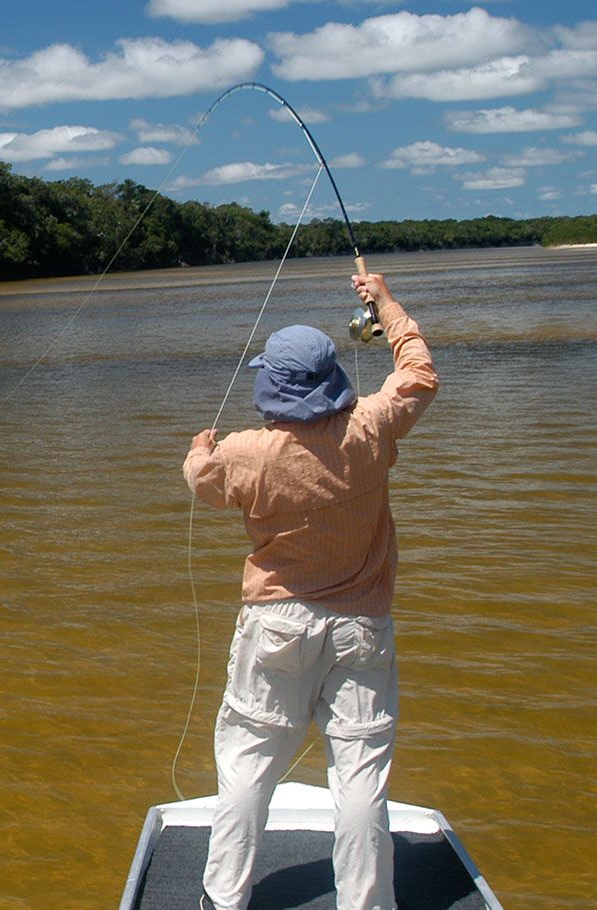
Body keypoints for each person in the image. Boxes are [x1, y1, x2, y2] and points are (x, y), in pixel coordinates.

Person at [183, 272, 437, 910]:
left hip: (276, 626)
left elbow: (200, 479)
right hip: (362, 629)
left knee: (247, 765)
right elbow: (419, 373)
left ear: (272, 385)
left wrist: (198, 449)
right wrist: (384, 303)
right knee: (359, 779)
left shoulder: (246, 453)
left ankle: (224, 896)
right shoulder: (373, 426)